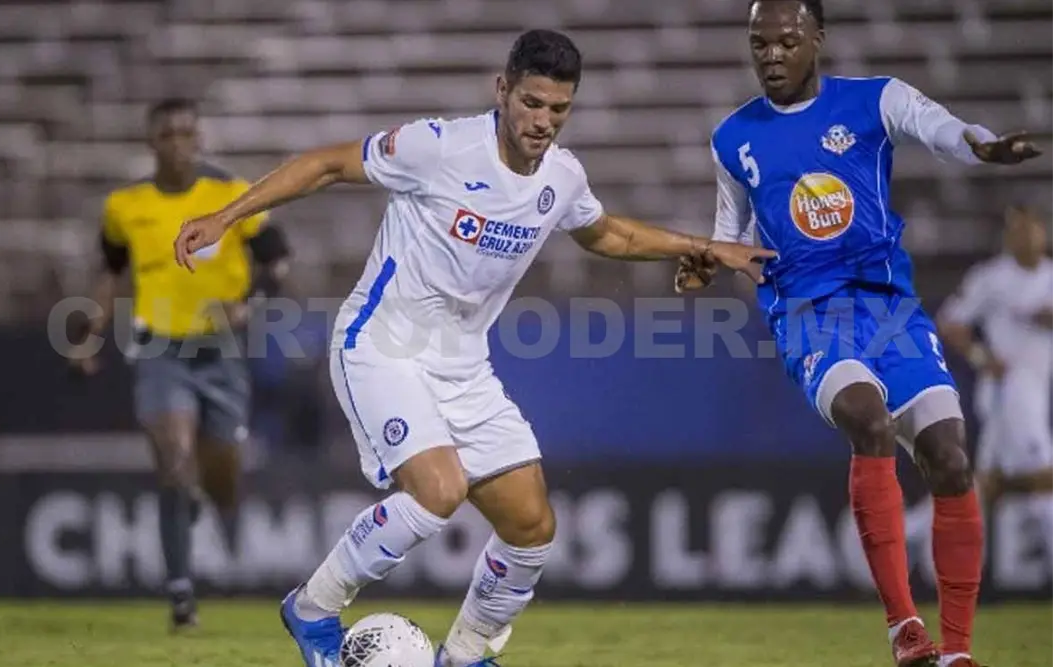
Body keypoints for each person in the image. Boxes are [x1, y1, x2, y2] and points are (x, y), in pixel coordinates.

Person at [174, 29, 773, 667]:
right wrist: (227, 216)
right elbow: (326, 164)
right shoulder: (438, 147)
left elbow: (607, 235)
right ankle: (313, 608)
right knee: (438, 490)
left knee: (531, 528)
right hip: (382, 344)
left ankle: (462, 656)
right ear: (502, 90)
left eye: (559, 109)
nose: (543, 121)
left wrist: (699, 247)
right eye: (532, 103)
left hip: (463, 364)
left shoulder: (563, 177)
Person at [681, 2, 1042, 667]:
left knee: (950, 457)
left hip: (889, 308)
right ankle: (904, 626)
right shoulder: (732, 138)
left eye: (786, 41)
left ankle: (957, 651)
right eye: (759, 44)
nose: (771, 55)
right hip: (808, 311)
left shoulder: (875, 101)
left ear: (816, 39)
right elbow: (728, 235)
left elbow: (942, 129)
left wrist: (983, 145)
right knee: (866, 418)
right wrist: (708, 262)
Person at [71, 97, 291, 630]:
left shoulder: (230, 195)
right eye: (167, 135)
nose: (178, 145)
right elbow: (110, 272)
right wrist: (91, 335)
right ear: (151, 142)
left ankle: (197, 497)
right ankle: (181, 597)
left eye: (186, 133)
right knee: (173, 459)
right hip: (160, 347)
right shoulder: (125, 206)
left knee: (223, 483)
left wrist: (249, 304)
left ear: (200, 138)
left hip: (221, 349)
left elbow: (277, 260)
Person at [937, 206, 1053, 562]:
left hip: (1036, 387)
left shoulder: (1050, 276)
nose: (1024, 237)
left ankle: (922, 539)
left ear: (1042, 233)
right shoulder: (991, 278)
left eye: (1030, 229)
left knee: (986, 483)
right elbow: (950, 322)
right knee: (1043, 471)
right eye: (1016, 230)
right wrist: (981, 357)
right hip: (1009, 388)